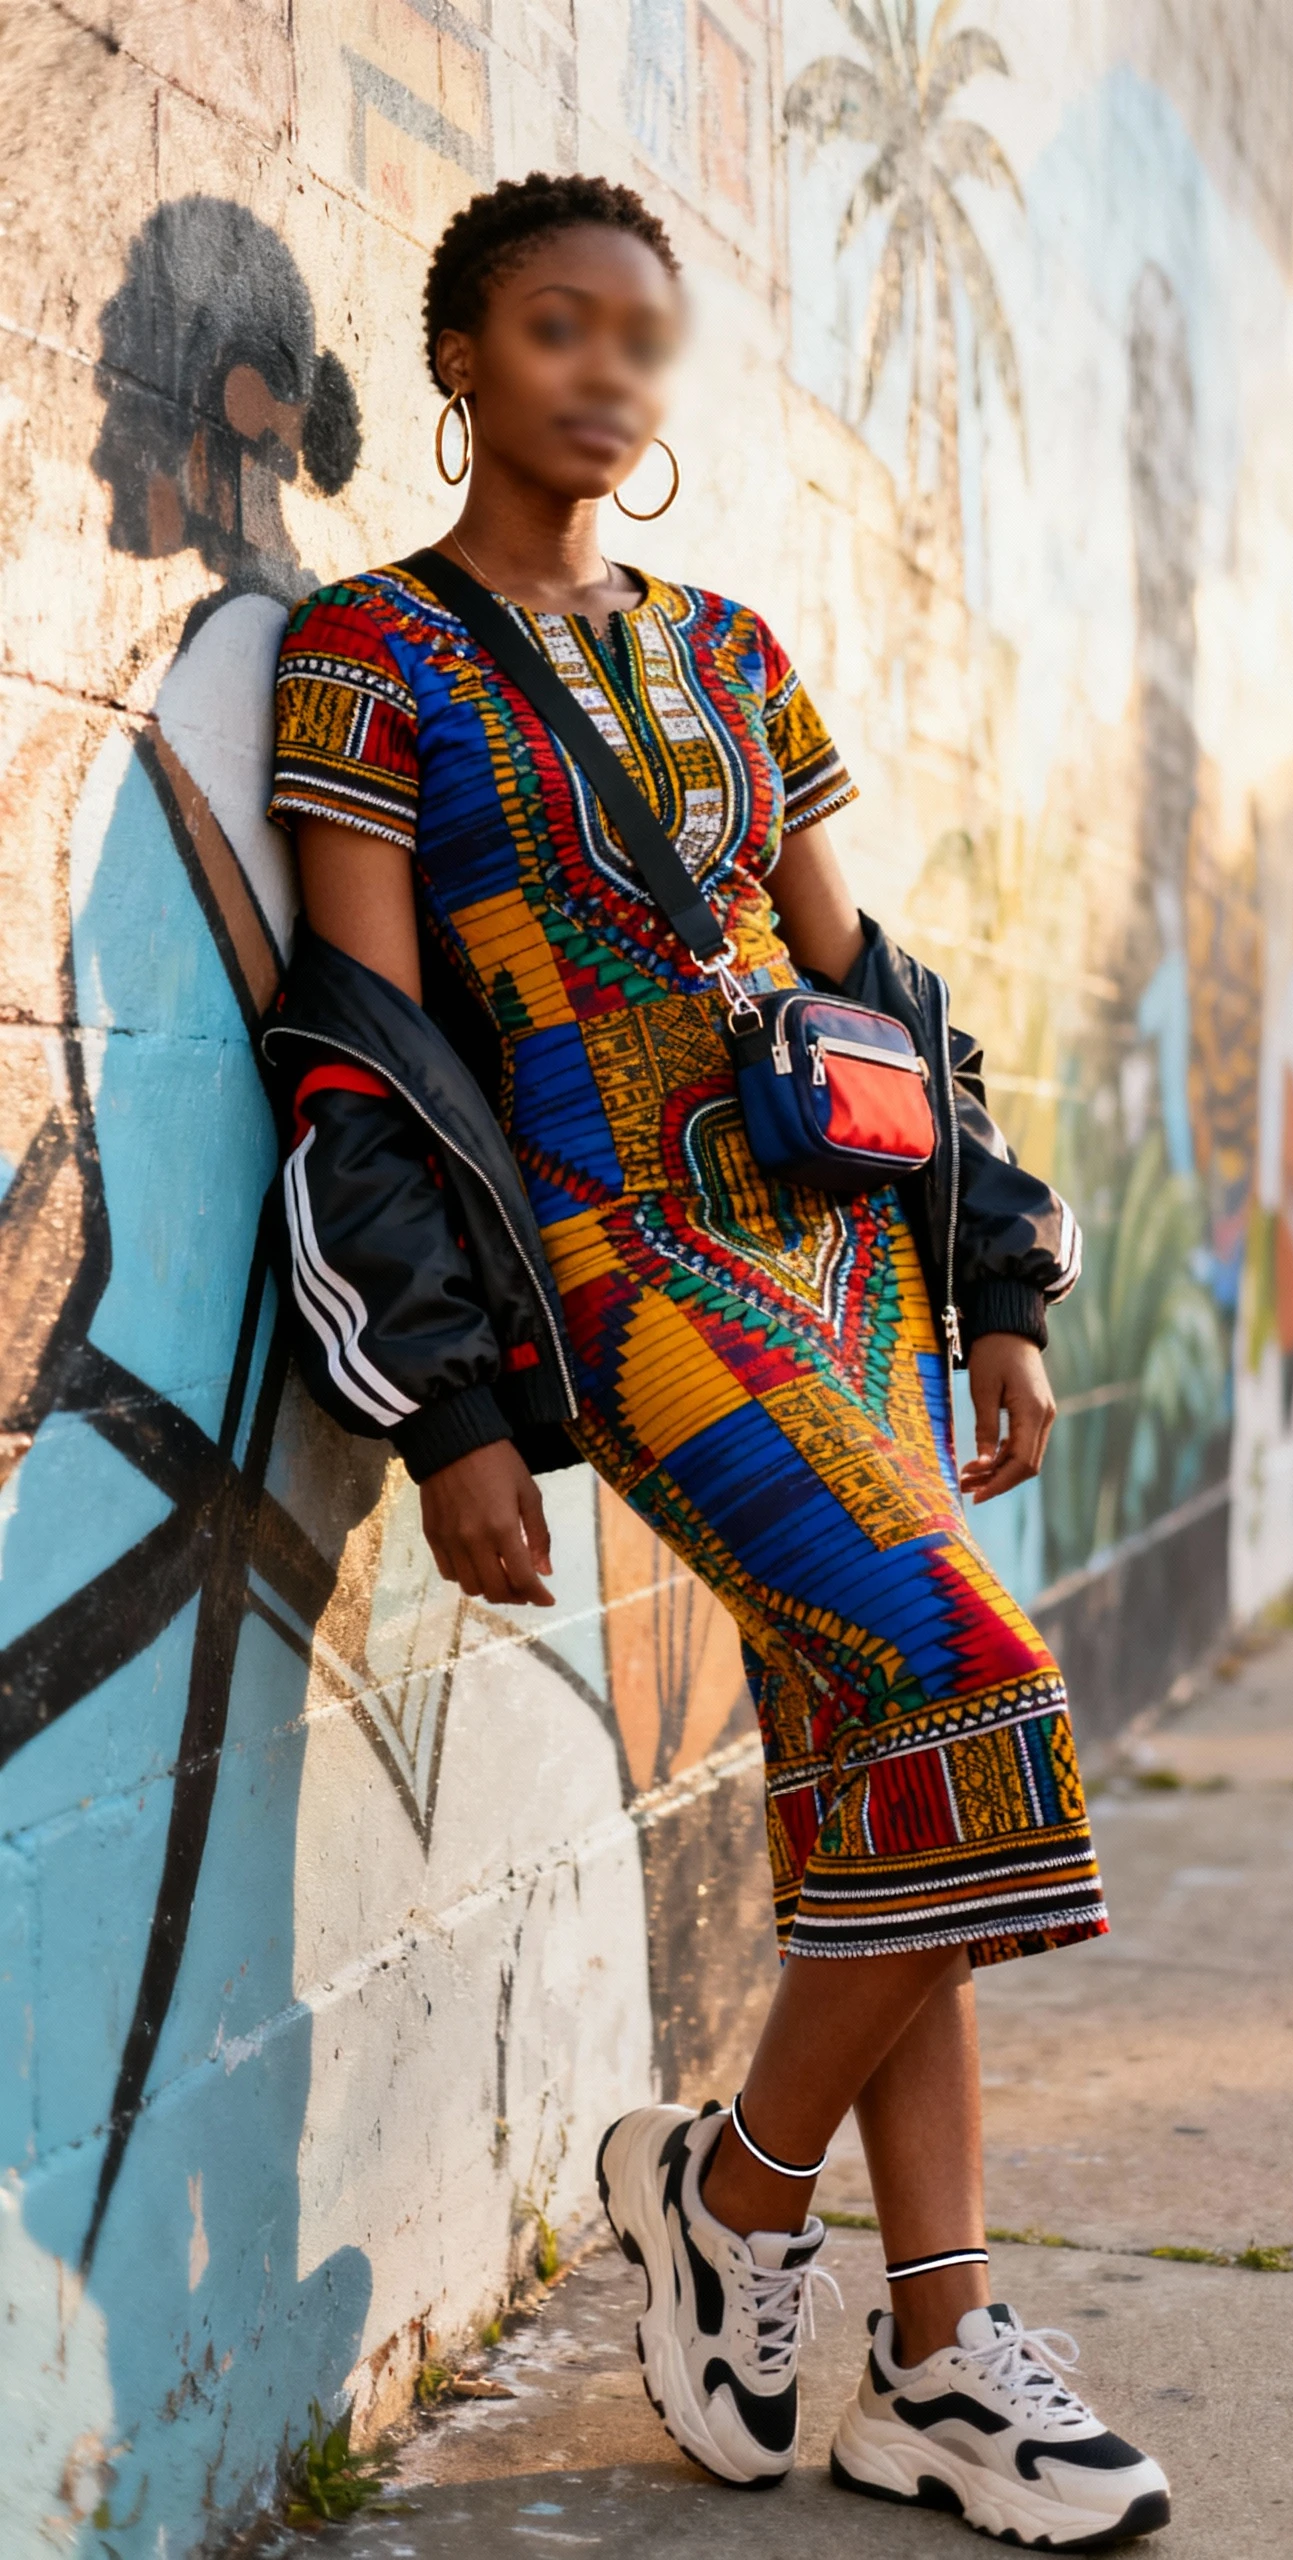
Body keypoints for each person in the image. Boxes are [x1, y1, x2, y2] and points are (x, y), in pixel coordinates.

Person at [262, 171, 1170, 2551]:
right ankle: (741, 2200)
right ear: (458, 355)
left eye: (638, 343)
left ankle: (948, 2353)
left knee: (899, 1777)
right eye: (554, 330)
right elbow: (353, 1043)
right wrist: (450, 1405)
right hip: (630, 1272)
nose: (602, 375)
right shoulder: (371, 655)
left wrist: (991, 1281)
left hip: (842, 1265)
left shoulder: (741, 654)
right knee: (982, 1687)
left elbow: (879, 992)